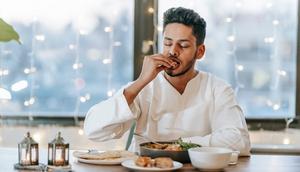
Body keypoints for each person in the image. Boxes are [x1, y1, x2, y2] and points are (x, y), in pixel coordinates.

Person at [84, 7, 251, 155]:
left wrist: (181, 146)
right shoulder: (144, 87)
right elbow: (94, 131)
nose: (172, 51)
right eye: (167, 43)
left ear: (200, 51)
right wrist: (140, 81)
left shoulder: (218, 88)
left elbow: (239, 141)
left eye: (183, 45)